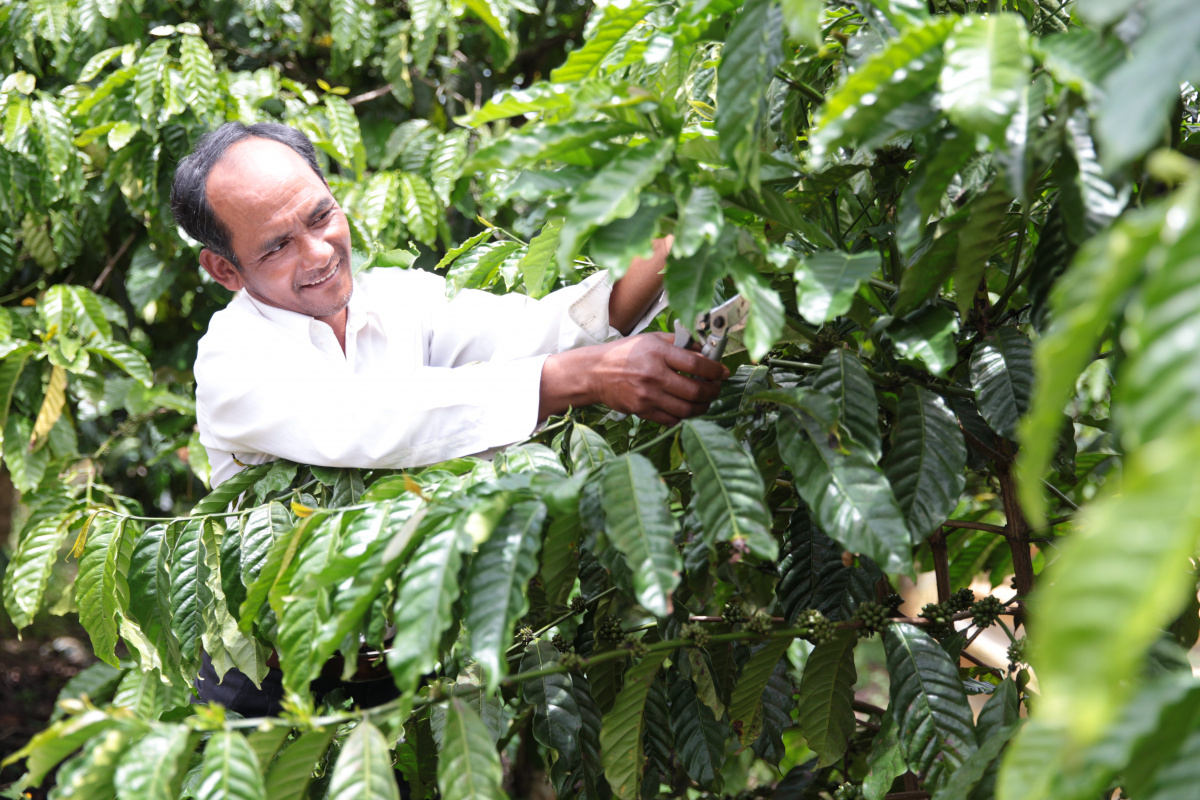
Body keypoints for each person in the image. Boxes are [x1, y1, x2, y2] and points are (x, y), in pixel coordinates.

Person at [169, 122, 728, 715]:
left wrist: (680, 234)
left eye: (320, 217)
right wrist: (589, 375)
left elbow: (549, 332)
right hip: (270, 689)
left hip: (414, 672)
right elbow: (378, 420)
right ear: (225, 270)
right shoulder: (233, 361)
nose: (319, 253)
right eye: (276, 247)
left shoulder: (401, 302)